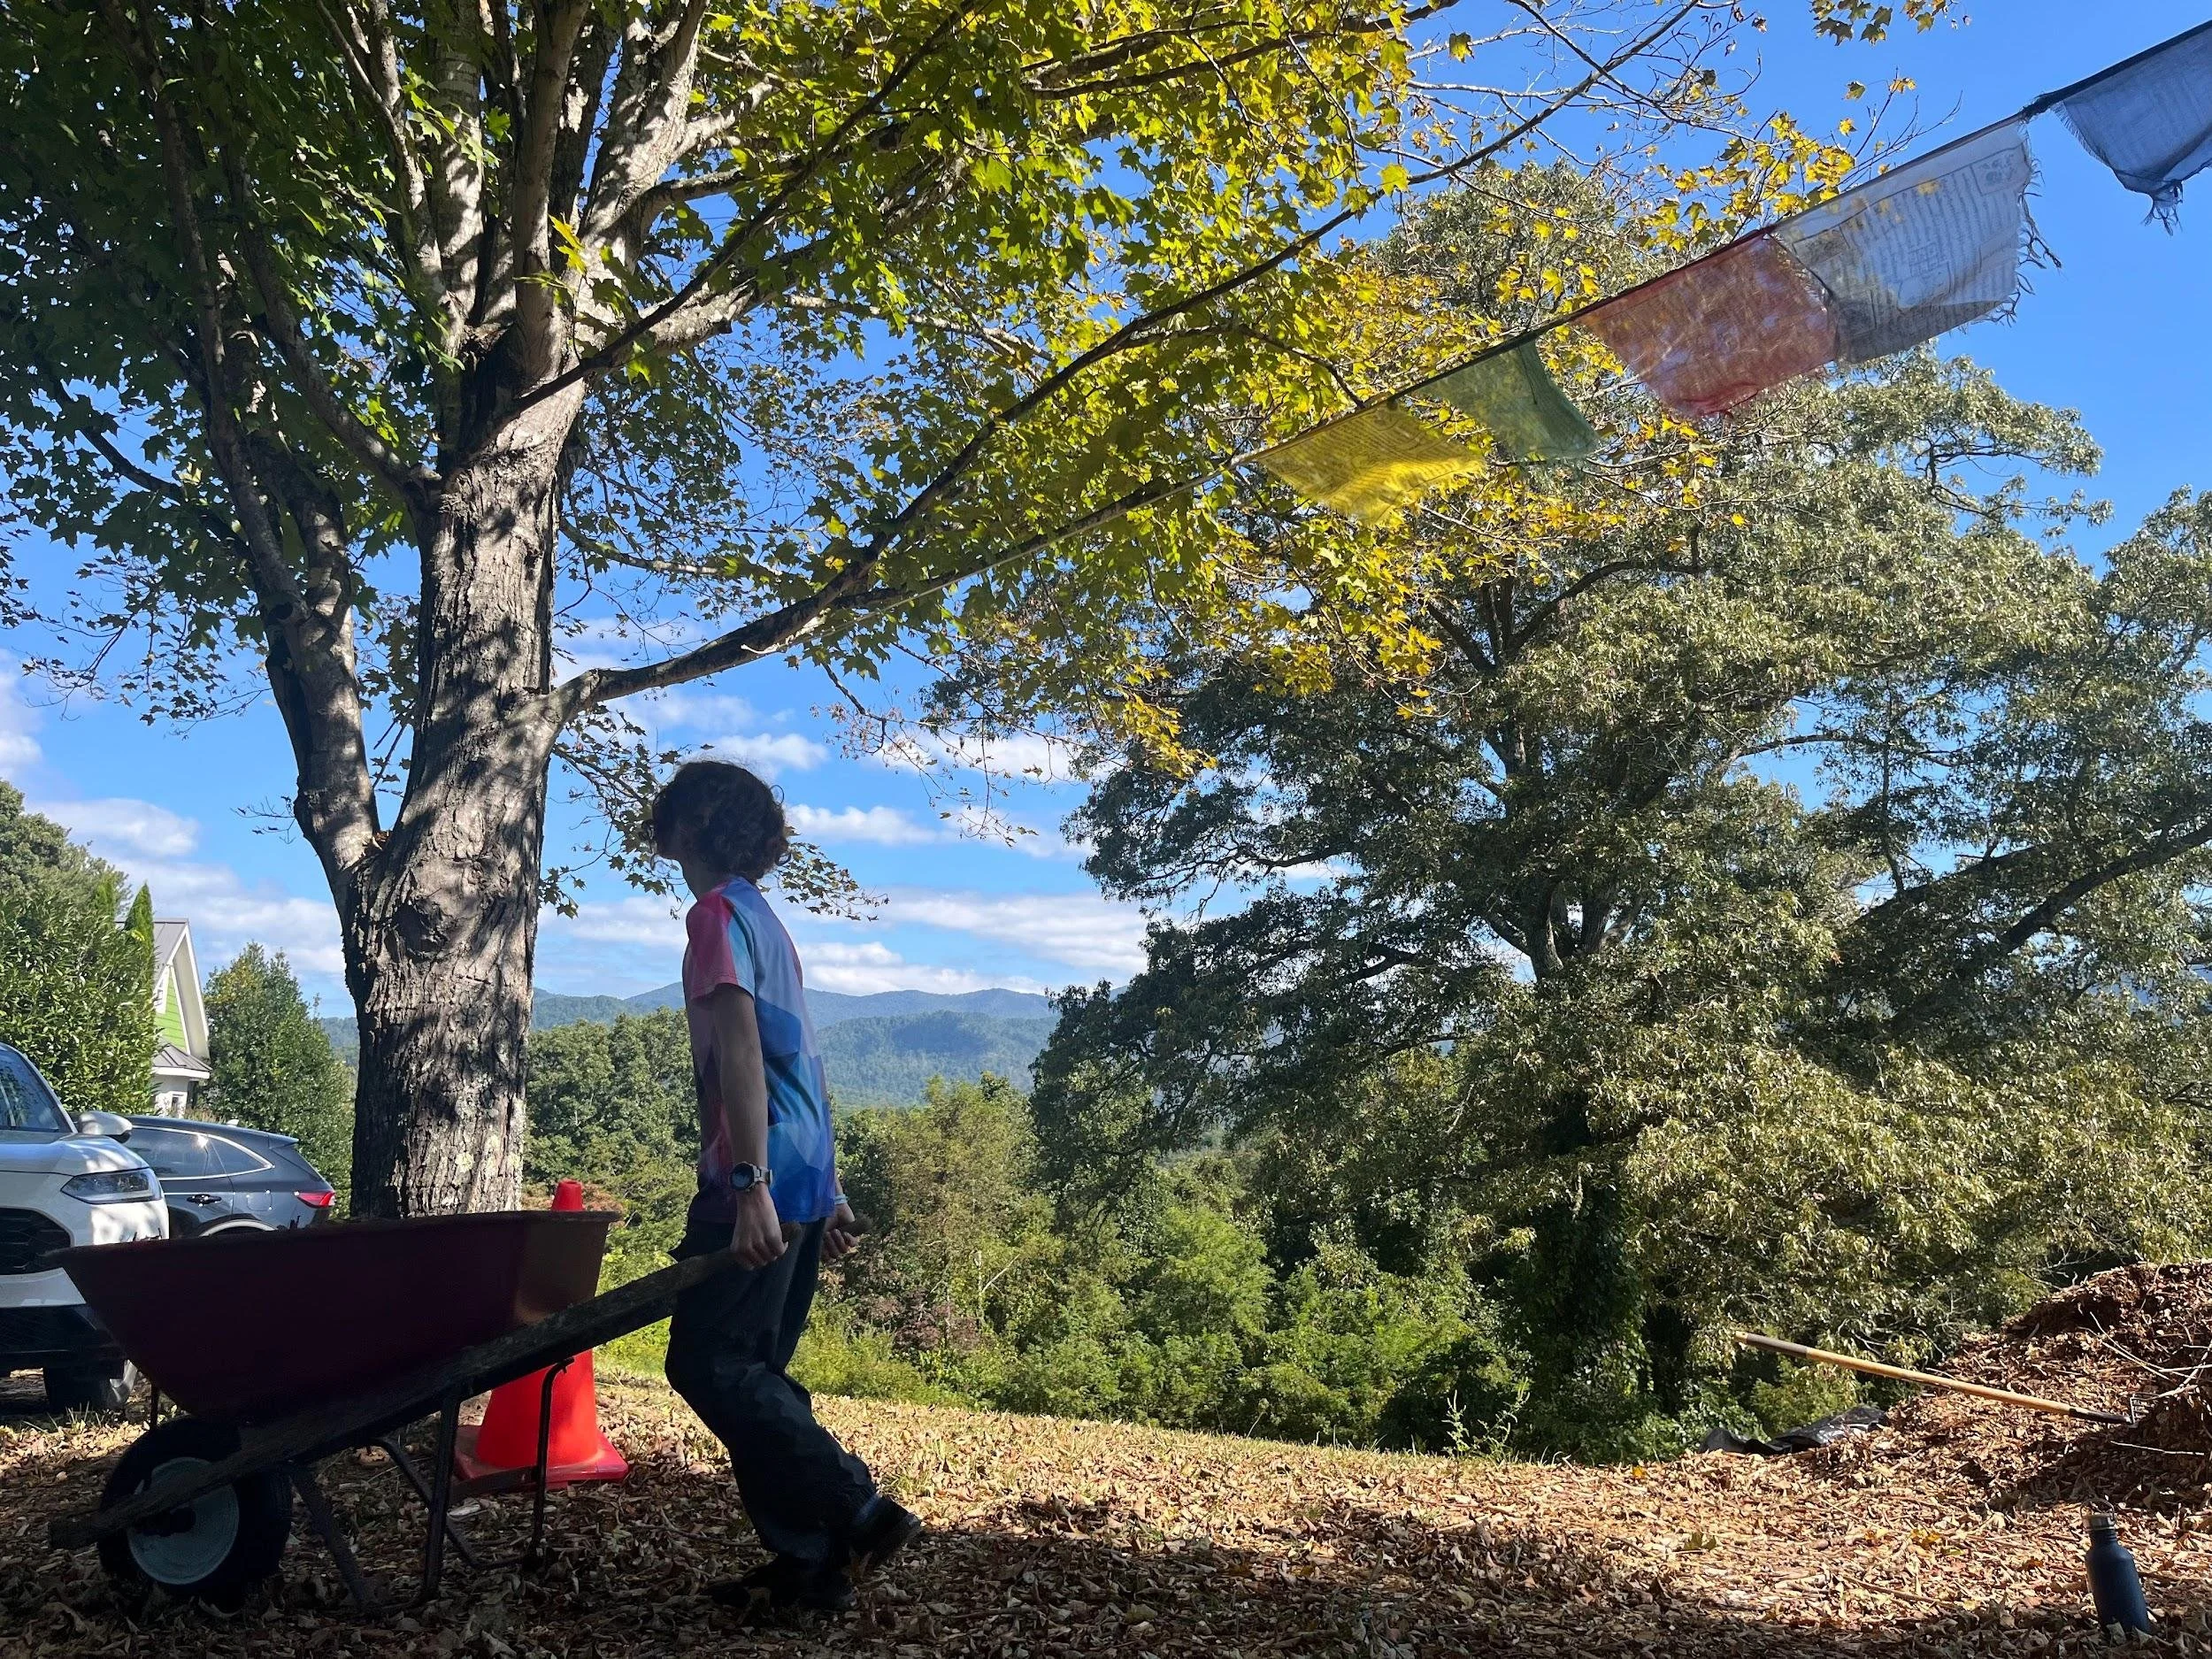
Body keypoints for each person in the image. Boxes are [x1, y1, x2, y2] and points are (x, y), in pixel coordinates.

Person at [650, 759, 921, 1615]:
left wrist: (751, 1184)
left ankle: (857, 1505)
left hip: (757, 1172)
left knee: (707, 1361)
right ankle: (811, 1568)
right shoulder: (768, 920)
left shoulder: (717, 914)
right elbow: (805, 1053)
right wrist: (827, 1187)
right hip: (798, 1166)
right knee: (754, 1370)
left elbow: (743, 1051)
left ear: (692, 826)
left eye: (670, 811)